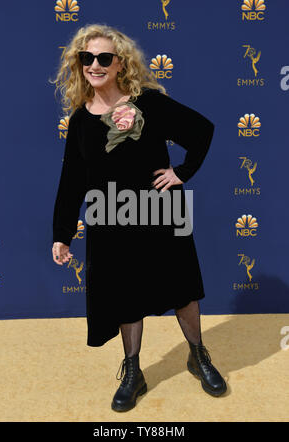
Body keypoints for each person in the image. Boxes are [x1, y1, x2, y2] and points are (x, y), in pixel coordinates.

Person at [51, 24, 227, 413]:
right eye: (87, 58)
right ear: (79, 64)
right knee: (125, 296)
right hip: (110, 220)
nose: (94, 65)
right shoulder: (81, 120)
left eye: (103, 58)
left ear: (119, 64)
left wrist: (183, 172)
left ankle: (198, 355)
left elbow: (202, 130)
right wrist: (62, 233)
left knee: (182, 289)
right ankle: (133, 371)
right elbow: (72, 181)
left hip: (161, 211)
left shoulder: (147, 102)